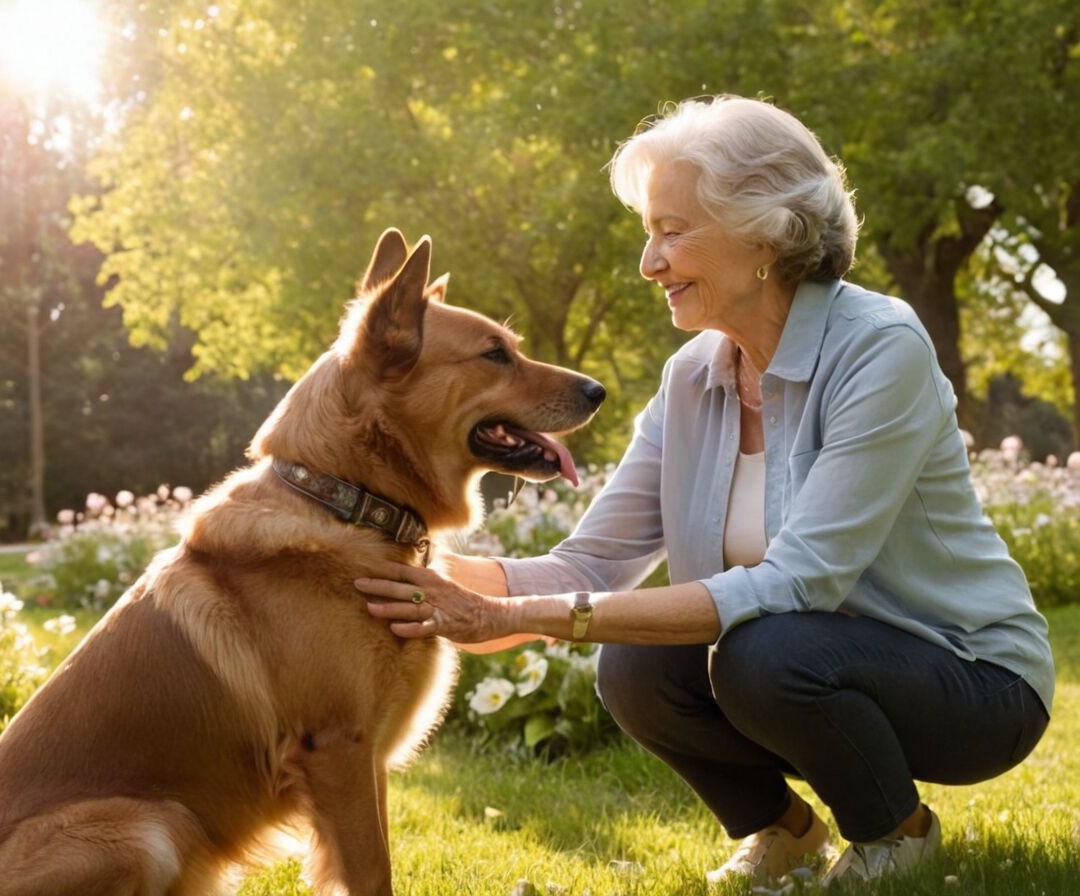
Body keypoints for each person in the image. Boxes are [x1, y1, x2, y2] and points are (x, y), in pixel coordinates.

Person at [355, 95, 1054, 889]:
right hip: (807, 664)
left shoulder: (879, 347)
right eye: (648, 233)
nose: (648, 264)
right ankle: (783, 833)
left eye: (671, 231)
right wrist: (397, 567)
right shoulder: (693, 376)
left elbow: (798, 583)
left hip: (973, 681)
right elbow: (589, 566)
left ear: (764, 233)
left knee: (763, 651)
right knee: (634, 665)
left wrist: (515, 617)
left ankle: (896, 834)